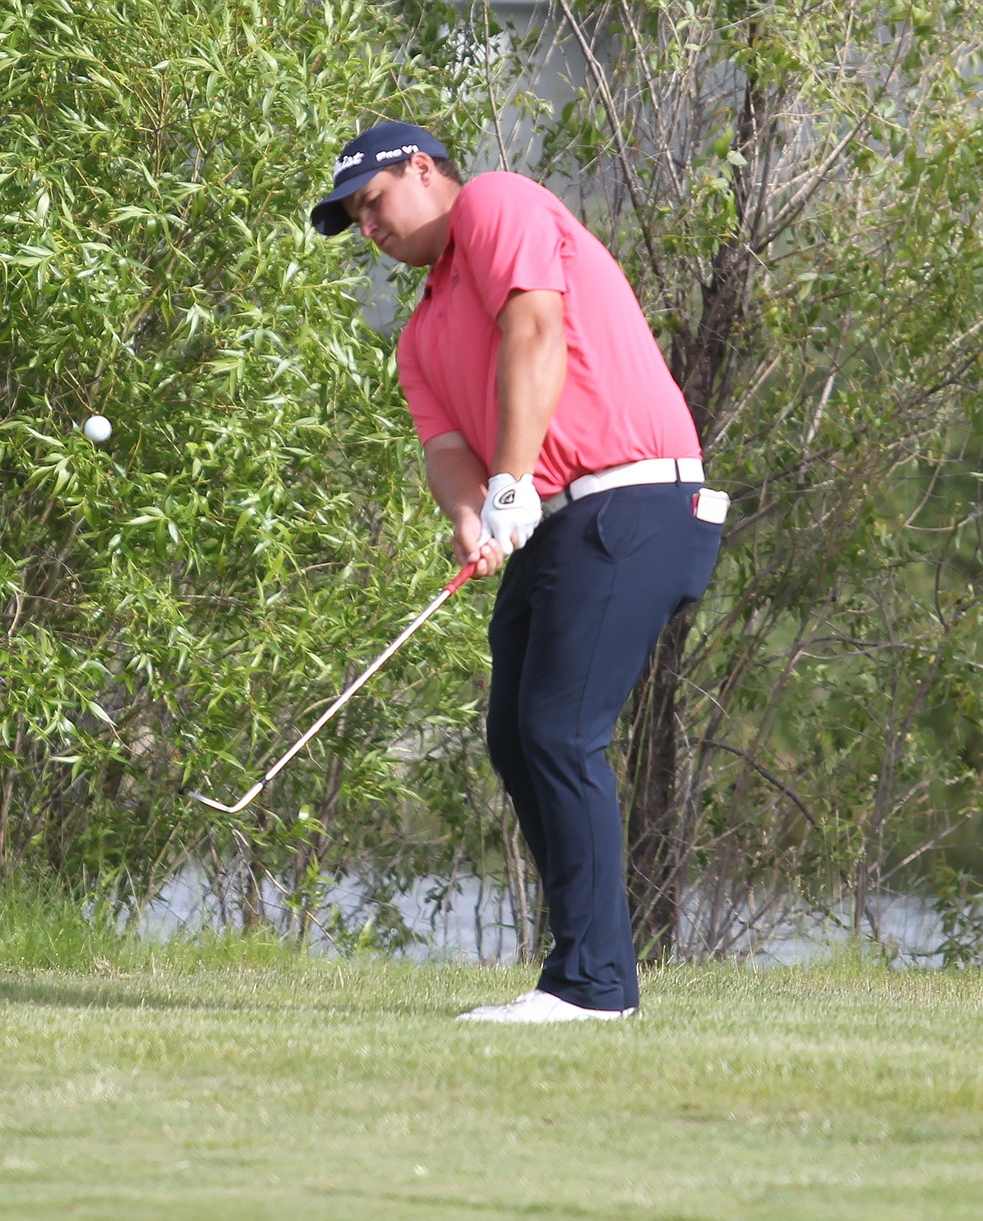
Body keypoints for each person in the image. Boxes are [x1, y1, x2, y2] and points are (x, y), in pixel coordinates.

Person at [310, 121, 726, 1023]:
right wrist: (474, 520)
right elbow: (444, 450)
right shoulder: (419, 334)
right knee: (517, 735)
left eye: (374, 203)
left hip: (636, 501)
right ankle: (585, 967)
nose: (370, 229)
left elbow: (536, 331)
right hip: (555, 525)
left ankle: (593, 987)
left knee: (560, 732)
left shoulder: (496, 203)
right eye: (355, 220)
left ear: (422, 169)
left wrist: (510, 482)